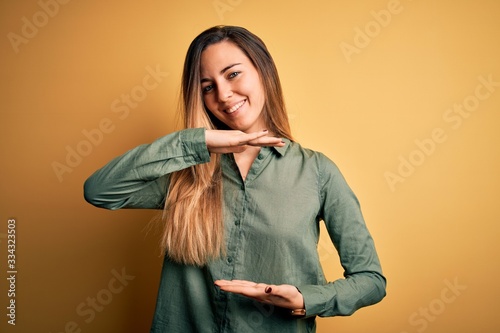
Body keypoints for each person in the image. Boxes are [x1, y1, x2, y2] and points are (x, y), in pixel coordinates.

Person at [84, 25, 386, 333]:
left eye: (232, 74)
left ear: (263, 71)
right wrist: (196, 143)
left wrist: (306, 298)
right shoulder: (184, 174)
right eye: (207, 87)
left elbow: (370, 280)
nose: (224, 95)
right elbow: (99, 191)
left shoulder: (318, 172)